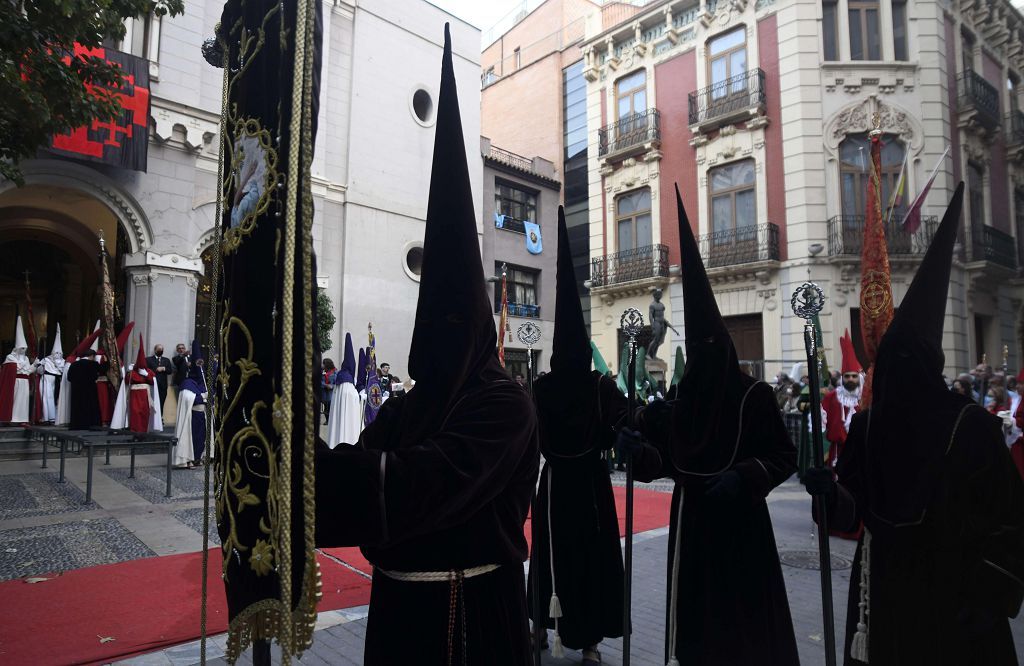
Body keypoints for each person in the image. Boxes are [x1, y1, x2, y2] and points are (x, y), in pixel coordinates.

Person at [313, 27, 538, 664]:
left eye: (450, 321)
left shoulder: (504, 405)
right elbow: (364, 458)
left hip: (471, 623)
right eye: (427, 320)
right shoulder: (411, 406)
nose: (436, 336)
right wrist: (292, 462)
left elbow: (419, 484)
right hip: (398, 618)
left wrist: (308, 479)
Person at [806, 184, 1024, 665]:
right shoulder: (868, 429)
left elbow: (1010, 520)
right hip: (882, 594)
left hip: (956, 596)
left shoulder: (971, 427)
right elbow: (852, 509)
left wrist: (990, 593)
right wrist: (827, 494)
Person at [622, 187, 799, 666]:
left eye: (708, 348)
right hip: (693, 529)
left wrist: (744, 476)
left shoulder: (755, 397)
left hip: (742, 528)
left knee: (741, 630)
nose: (702, 359)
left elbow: (785, 457)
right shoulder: (682, 402)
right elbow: (664, 459)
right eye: (695, 351)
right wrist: (638, 455)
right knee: (699, 631)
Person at [529, 208, 662, 664]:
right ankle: (550, 631)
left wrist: (627, 433)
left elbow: (632, 418)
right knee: (564, 558)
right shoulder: (560, 386)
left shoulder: (584, 385)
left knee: (575, 559)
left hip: (574, 484)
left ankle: (579, 639)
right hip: (576, 484)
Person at [823, 331, 862, 470]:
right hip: (838, 451)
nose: (850, 379)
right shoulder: (831, 397)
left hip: (860, 450)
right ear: (842, 378)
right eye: (847, 376)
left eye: (853, 376)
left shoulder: (865, 398)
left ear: (859, 378)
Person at [174, 341, 208, 468]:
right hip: (192, 416)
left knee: (201, 439)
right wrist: (202, 397)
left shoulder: (202, 382)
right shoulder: (187, 383)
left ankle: (198, 458)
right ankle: (190, 459)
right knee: (192, 439)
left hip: (202, 415)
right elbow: (190, 399)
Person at [325, 334, 361, 448]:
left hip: (338, 417)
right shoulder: (348, 381)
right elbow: (352, 398)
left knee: (337, 425)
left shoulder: (340, 377)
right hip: (348, 414)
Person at [0, 316, 36, 424]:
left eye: (25, 349)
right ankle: (12, 418)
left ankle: (22, 419)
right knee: (14, 400)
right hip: (15, 381)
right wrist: (19, 367)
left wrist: (34, 365)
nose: (23, 350)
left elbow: (28, 371)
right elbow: (10, 369)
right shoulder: (10, 357)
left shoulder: (25, 358)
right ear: (17, 348)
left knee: (23, 401)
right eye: (22, 348)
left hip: (25, 382)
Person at [67, 348, 108, 429]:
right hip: (89, 389)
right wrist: (106, 362)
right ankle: (90, 425)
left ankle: (77, 425)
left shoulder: (74, 364)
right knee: (89, 407)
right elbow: (103, 370)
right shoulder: (93, 364)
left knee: (77, 408)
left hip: (76, 390)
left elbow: (69, 378)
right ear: (92, 356)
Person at [36, 324, 66, 423]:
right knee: (45, 398)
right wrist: (41, 365)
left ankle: (53, 417)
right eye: (56, 353)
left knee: (54, 398)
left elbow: (62, 370)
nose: (58, 355)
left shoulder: (63, 361)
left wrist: (58, 366)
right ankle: (46, 416)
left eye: (59, 353)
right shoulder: (47, 359)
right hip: (46, 379)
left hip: (56, 381)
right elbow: (39, 371)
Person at [146, 344, 174, 413]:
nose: (160, 351)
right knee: (151, 402)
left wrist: (164, 368)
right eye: (159, 349)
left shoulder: (166, 360)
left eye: (161, 350)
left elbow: (170, 371)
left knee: (161, 402)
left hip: (163, 386)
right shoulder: (148, 359)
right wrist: (156, 369)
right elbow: (146, 370)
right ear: (155, 350)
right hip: (152, 384)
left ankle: (160, 418)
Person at [321, 357, 336, 425]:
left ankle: (331, 421)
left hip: (331, 393)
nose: (322, 365)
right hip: (324, 393)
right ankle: (327, 420)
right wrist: (325, 385)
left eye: (323, 364)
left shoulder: (335, 372)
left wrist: (332, 386)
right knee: (326, 408)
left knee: (330, 407)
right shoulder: (322, 372)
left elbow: (337, 382)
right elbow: (319, 381)